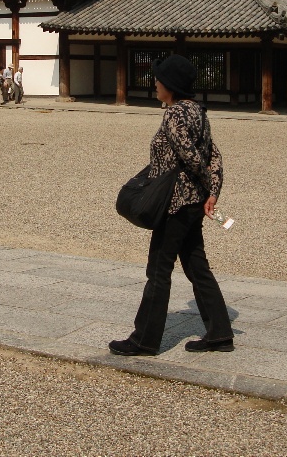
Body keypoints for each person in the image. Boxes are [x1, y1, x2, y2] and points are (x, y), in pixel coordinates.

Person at [109, 54, 233, 357]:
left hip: (175, 203)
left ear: (171, 85)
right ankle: (220, 333)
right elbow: (214, 155)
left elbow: (191, 155)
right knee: (196, 265)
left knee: (158, 269)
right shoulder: (199, 112)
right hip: (193, 203)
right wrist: (212, 191)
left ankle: (144, 340)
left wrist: (207, 184)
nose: (155, 84)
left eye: (159, 80)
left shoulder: (175, 113)